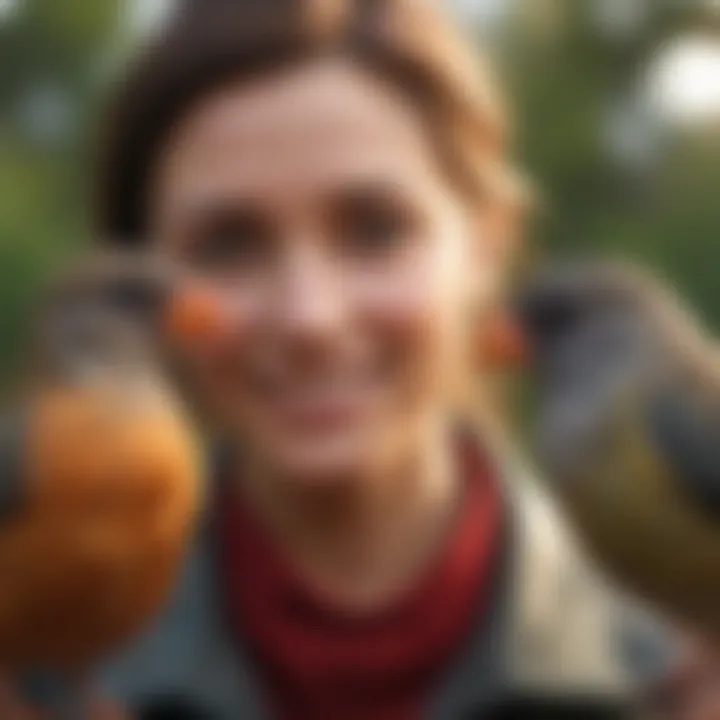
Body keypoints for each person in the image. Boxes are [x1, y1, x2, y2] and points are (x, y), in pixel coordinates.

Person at [3, 0, 719, 718]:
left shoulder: (663, 663)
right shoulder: (49, 657)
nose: (310, 316)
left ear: (488, 246)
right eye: (228, 244)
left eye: (376, 231)